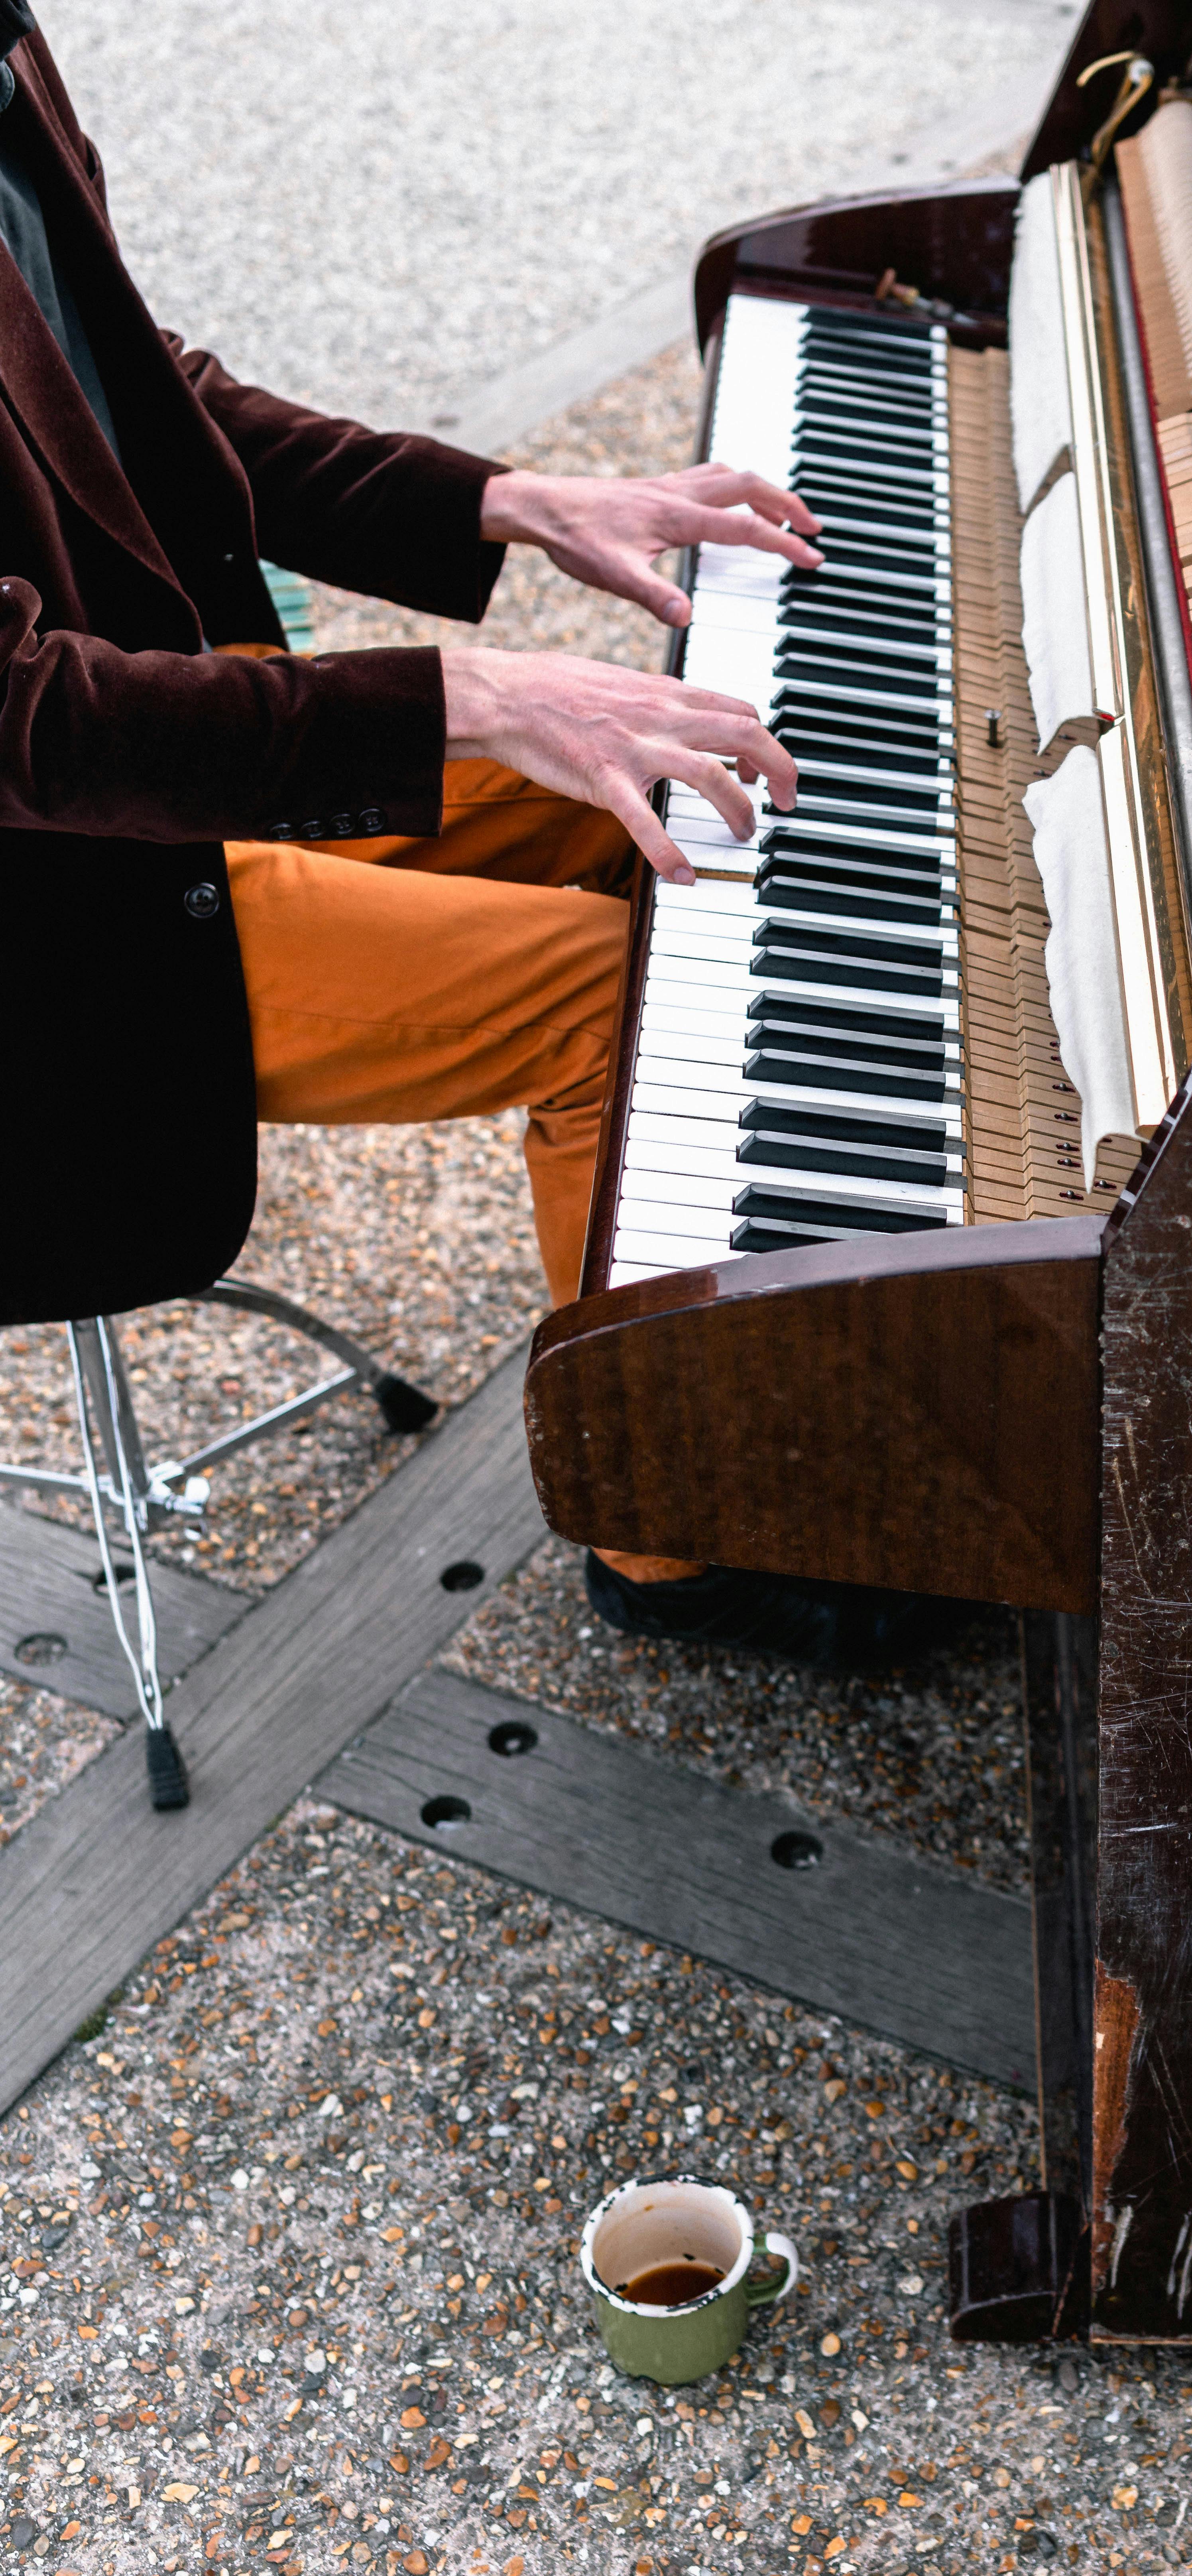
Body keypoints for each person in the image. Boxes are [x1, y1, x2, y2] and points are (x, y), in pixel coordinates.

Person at [0, 2, 844, 1642]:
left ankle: (804, 1293)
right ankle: (678, 1545)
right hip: (47, 930)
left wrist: (511, 500)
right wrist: (477, 698)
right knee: (602, 995)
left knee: (650, 812)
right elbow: (22, 714)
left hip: (161, 768)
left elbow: (141, 401)